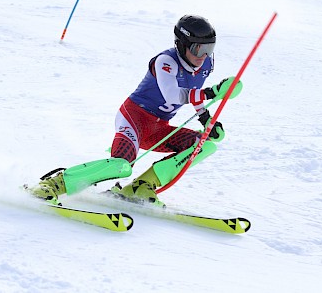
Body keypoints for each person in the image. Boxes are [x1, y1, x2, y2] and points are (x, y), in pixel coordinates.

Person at [29, 14, 242, 207]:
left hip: (158, 128)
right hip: (134, 118)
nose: (203, 56)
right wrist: (213, 92)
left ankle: (142, 186)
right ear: (182, 44)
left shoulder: (204, 64)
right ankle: (55, 184)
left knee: (203, 145)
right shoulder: (166, 61)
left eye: (209, 49)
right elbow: (173, 95)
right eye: (198, 48)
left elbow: (193, 91)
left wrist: (206, 119)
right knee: (122, 165)